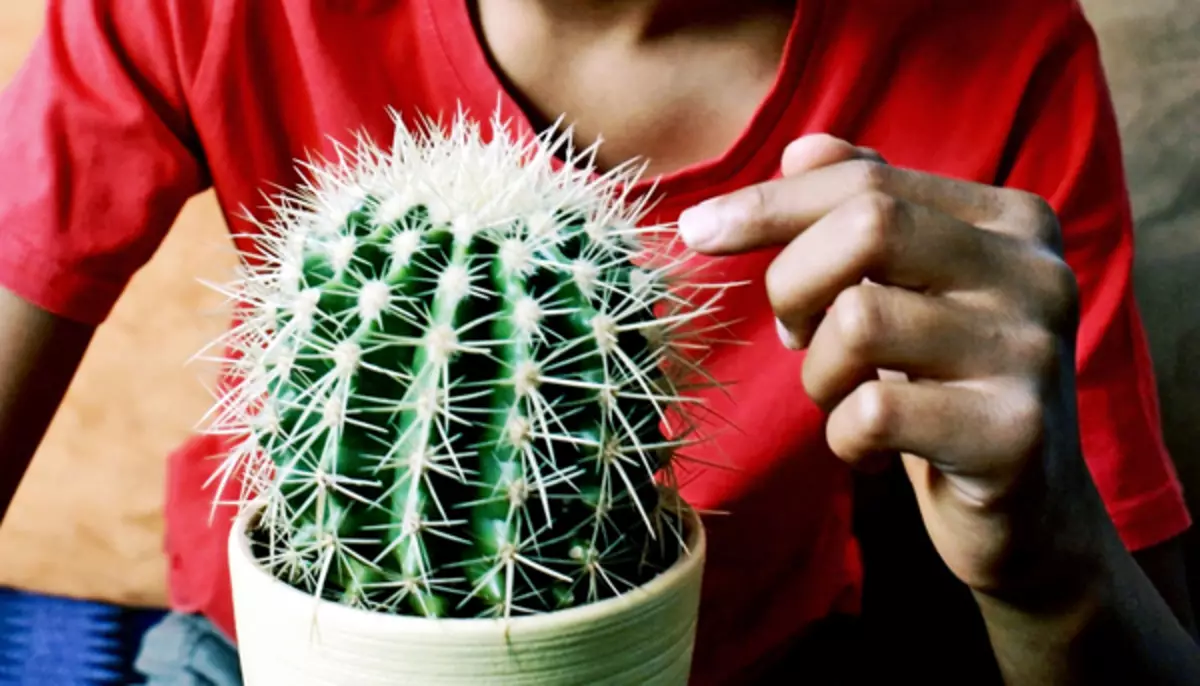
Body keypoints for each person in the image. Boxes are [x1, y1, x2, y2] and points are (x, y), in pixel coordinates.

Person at [0, 0, 1197, 683]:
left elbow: (1130, 632)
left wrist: (1048, 560)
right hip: (257, 652)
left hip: (733, 662)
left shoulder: (1007, 55)